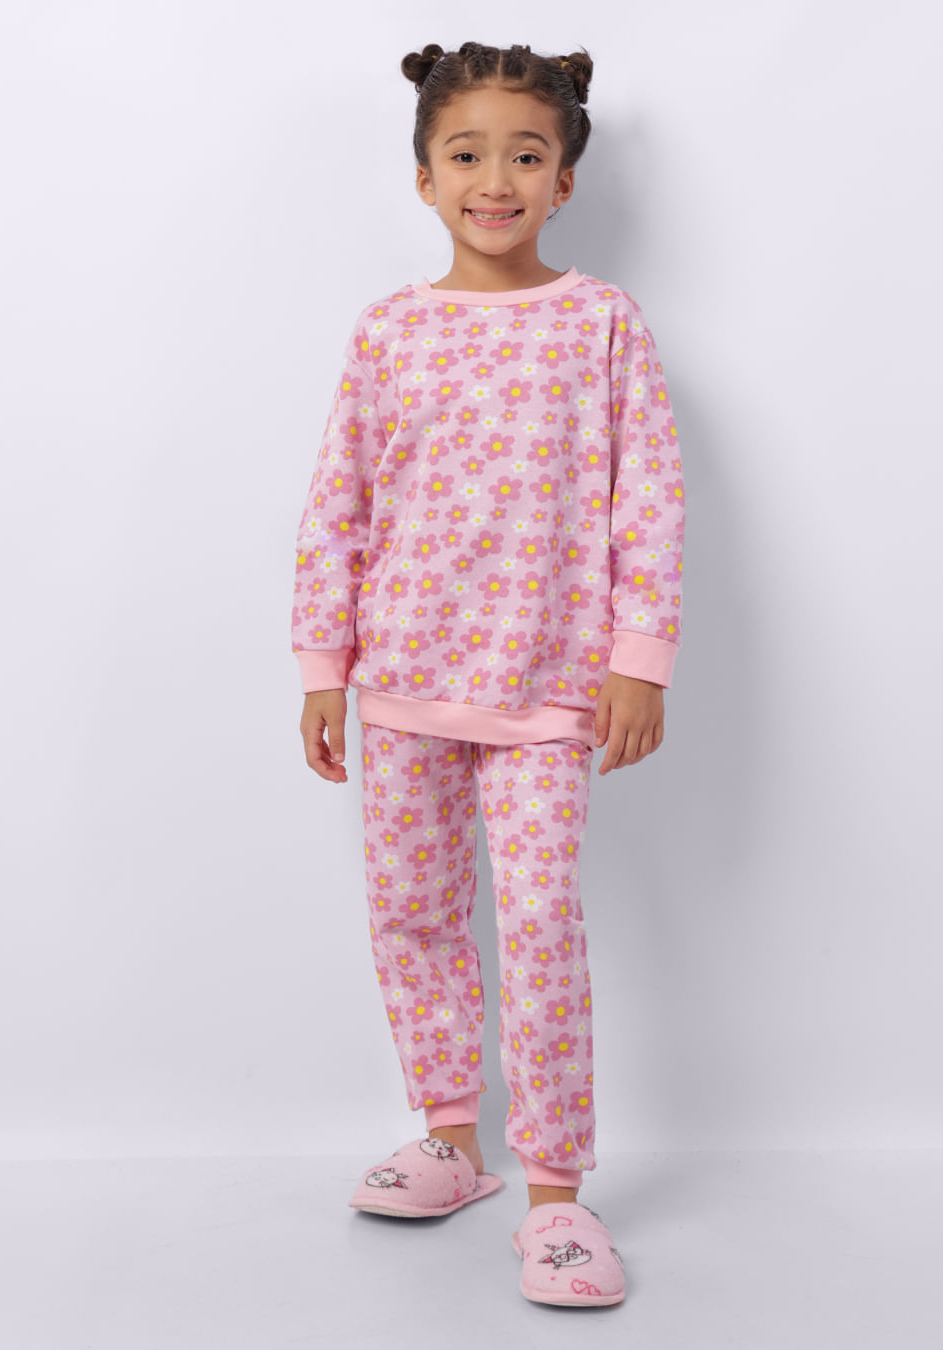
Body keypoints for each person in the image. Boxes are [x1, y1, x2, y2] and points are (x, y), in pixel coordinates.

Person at [290, 40, 685, 1307]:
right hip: (402, 678)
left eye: (526, 155)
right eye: (467, 154)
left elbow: (648, 501)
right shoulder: (390, 330)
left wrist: (640, 661)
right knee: (412, 913)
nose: (496, 179)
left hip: (547, 688)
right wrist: (323, 665)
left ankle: (556, 1196)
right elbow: (339, 505)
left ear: (564, 180)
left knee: (537, 919)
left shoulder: (602, 321)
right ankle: (450, 1140)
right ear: (425, 178)